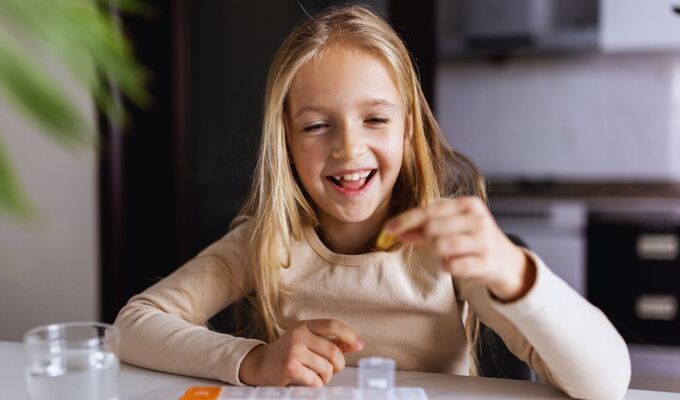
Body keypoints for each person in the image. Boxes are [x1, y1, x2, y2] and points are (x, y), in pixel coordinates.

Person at [114, 5, 630, 399]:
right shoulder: (265, 241)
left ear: (407, 130)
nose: (349, 149)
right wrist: (253, 361)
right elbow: (133, 326)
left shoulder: (444, 247)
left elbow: (605, 383)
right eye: (316, 126)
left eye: (376, 119)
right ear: (286, 142)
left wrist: (515, 271)